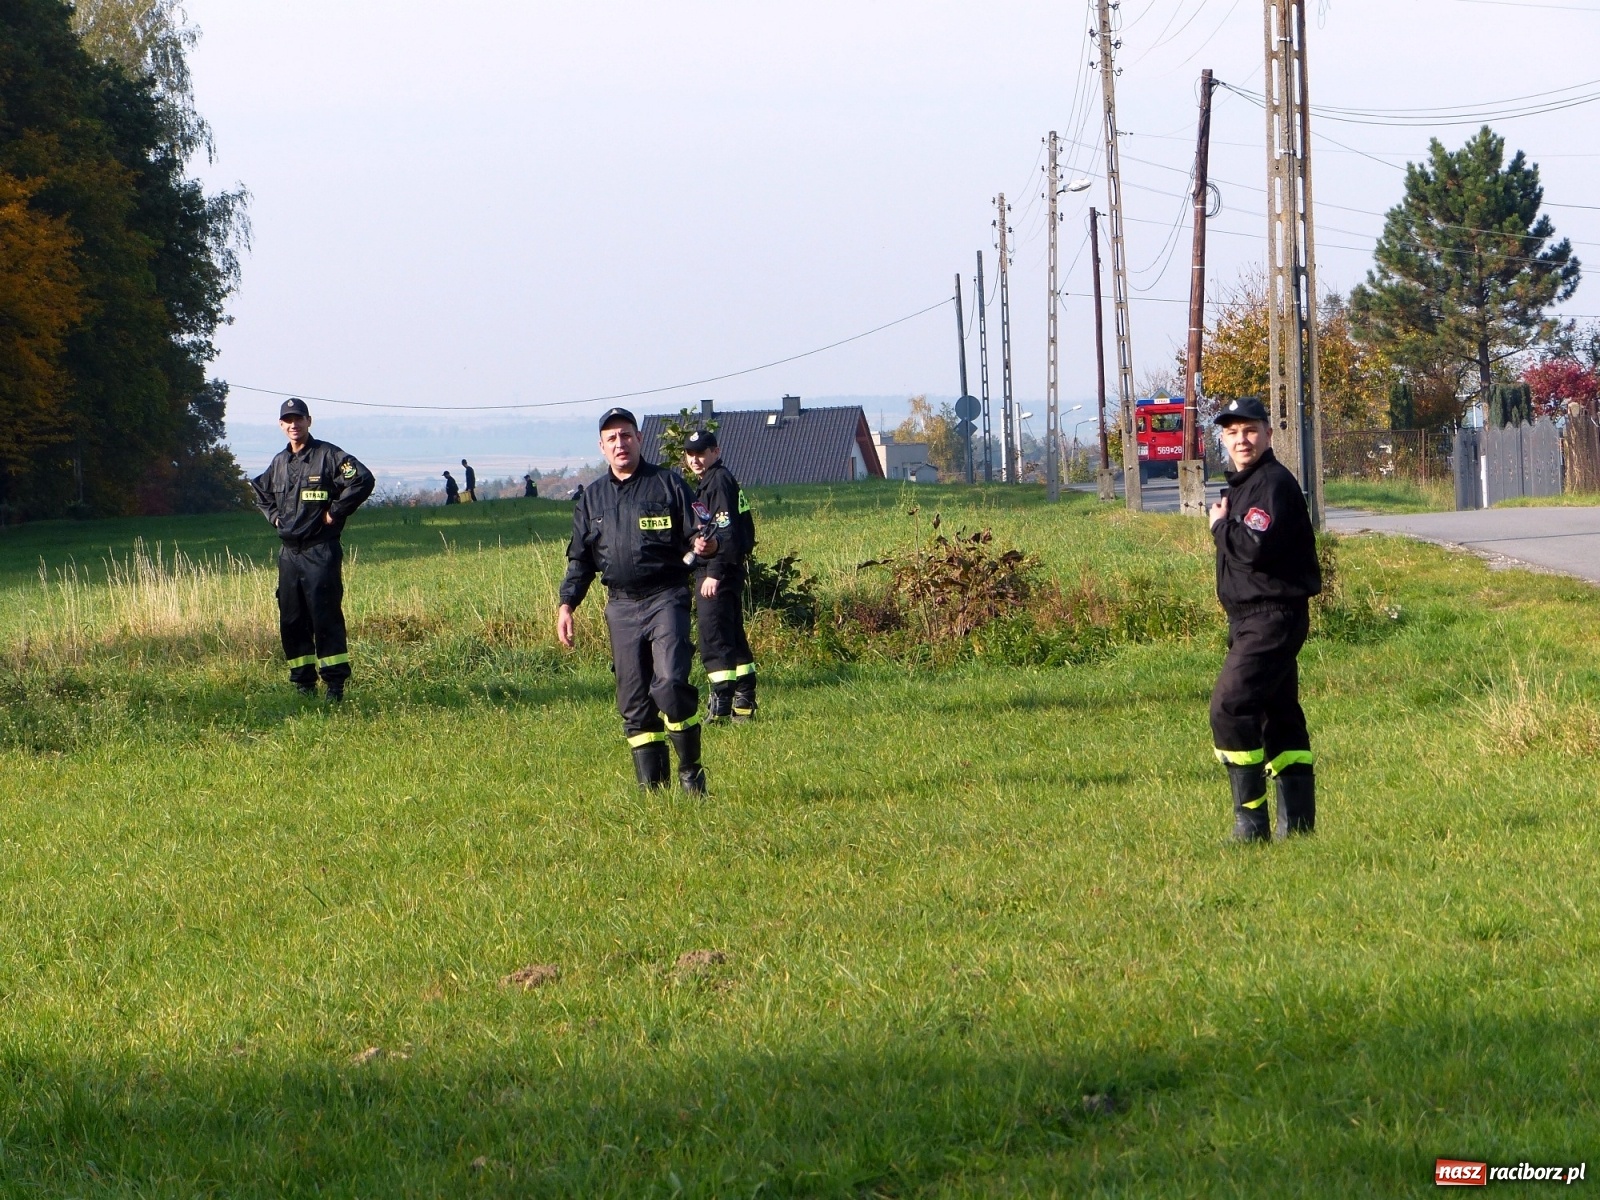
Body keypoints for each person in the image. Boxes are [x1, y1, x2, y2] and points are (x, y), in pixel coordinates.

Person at [557, 409, 719, 791]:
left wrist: (706, 544)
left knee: (671, 684)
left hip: (667, 597)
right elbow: (580, 560)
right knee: (634, 700)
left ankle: (690, 773)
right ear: (601, 447)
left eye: (626, 436)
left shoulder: (669, 485)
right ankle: (654, 790)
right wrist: (567, 605)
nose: (620, 444)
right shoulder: (592, 499)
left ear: (639, 439)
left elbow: (703, 530)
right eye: (611, 439)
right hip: (622, 606)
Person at [1207, 396, 1322, 841]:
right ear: (1222, 439)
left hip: (1271, 617)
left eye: (1250, 430)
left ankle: (1250, 823)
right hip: (1253, 617)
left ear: (1268, 434)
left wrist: (1220, 527)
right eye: (1232, 432)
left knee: (1230, 706)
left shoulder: (1271, 483)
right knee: (1278, 715)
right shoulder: (1243, 486)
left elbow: (1254, 547)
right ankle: (1298, 827)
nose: (1242, 440)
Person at [251, 397, 375, 701]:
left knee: (325, 616)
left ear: (309, 421)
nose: (294, 425)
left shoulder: (328, 455)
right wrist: (275, 518)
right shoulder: (279, 463)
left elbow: (362, 479)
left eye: (299, 419)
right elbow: (260, 490)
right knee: (291, 619)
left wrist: (336, 511)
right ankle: (303, 684)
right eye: (288, 420)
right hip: (289, 554)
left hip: (320, 550)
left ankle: (334, 686)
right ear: (281, 425)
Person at [683, 429, 758, 720]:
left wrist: (713, 572)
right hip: (728, 569)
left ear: (716, 451)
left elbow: (724, 532)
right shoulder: (714, 480)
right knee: (733, 637)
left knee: (713, 638)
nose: (696, 459)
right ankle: (744, 702)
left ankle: (721, 706)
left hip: (718, 571)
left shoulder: (717, 482)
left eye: (701, 452)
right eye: (691, 454)